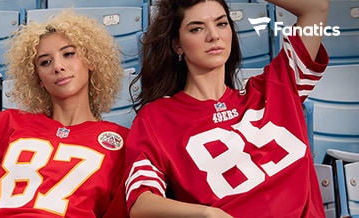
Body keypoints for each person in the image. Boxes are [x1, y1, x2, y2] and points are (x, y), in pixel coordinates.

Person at [125, 0, 329, 217]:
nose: (214, 36)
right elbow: (140, 204)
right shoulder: (158, 117)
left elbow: (316, 8)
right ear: (177, 44)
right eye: (197, 28)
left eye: (221, 24)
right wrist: (207, 214)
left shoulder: (277, 87)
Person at [0, 10, 129, 218]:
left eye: (68, 54)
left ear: (90, 60)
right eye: (45, 62)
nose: (58, 67)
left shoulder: (121, 141)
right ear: (38, 78)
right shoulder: (7, 123)